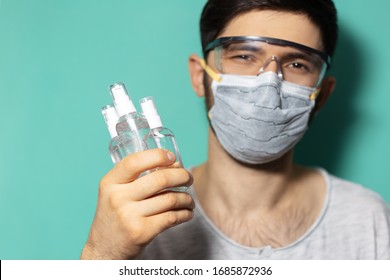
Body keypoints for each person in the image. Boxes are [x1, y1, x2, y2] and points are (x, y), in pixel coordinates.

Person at [81, 0, 390, 260]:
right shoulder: (141, 223)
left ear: (322, 94)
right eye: (243, 56)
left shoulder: (367, 220)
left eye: (297, 64)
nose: (269, 84)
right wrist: (102, 254)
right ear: (198, 75)